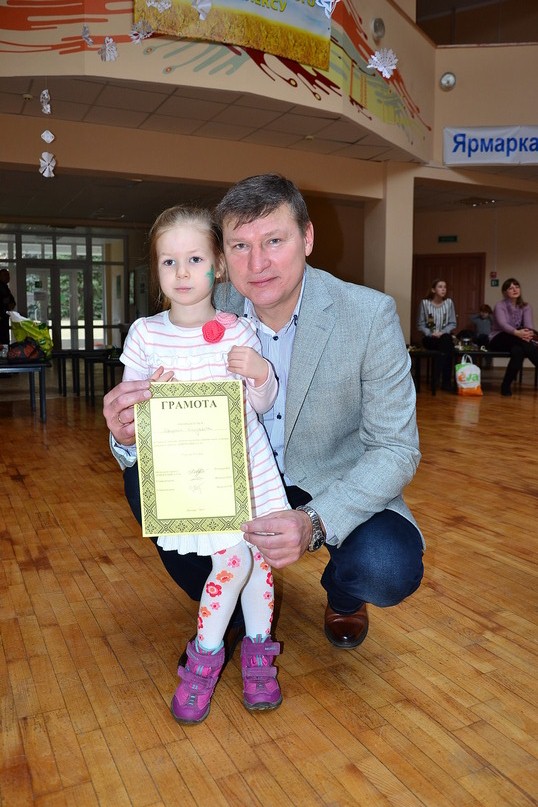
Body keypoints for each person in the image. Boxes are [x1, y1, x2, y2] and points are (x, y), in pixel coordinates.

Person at [103, 174, 424, 687]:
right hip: (225, 476)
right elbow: (150, 406)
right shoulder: (200, 301)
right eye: (240, 246)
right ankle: (226, 598)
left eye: (274, 240)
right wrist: (125, 435)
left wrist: (314, 522)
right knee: (142, 481)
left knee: (386, 565)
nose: (258, 263)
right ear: (222, 256)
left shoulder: (367, 315)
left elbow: (396, 449)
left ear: (307, 238)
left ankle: (343, 595)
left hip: (325, 478)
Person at [119, 205, 290, 724]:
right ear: (156, 269)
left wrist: (260, 373)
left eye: (194, 259)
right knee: (233, 562)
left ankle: (258, 658)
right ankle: (203, 663)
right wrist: (144, 401)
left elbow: (261, 405)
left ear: (217, 265)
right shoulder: (145, 335)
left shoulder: (240, 330)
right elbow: (128, 412)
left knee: (257, 561)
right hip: (194, 478)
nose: (182, 272)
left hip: (249, 470)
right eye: (168, 261)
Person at [488, 278, 538, 396]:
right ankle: (505, 385)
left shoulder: (526, 306)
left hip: (518, 339)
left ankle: (505, 385)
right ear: (505, 292)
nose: (515, 289)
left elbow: (528, 326)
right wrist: (518, 333)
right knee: (524, 343)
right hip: (498, 337)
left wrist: (527, 334)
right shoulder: (500, 305)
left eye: (517, 286)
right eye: (511, 288)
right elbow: (503, 325)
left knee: (518, 351)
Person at [417, 279, 457, 391]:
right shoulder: (425, 303)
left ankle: (436, 379)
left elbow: (452, 323)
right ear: (433, 290)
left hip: (444, 336)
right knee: (447, 347)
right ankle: (445, 382)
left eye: (445, 287)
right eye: (440, 287)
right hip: (430, 338)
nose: (443, 289)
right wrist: (431, 333)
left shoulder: (449, 303)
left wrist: (442, 332)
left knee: (446, 341)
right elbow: (420, 324)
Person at [0, 268, 16, 347]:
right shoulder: (1, 287)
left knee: (4, 340)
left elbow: (12, 301)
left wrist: (10, 304)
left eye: (8, 275)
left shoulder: (5, 288)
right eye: (5, 275)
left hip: (4, 318)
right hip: (1, 318)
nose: (7, 277)